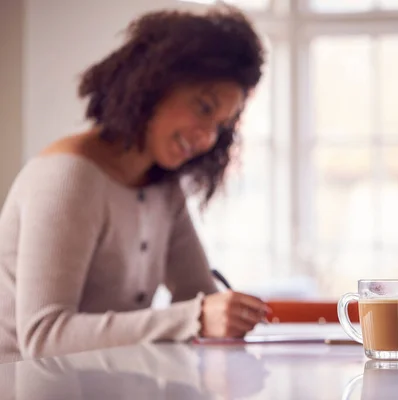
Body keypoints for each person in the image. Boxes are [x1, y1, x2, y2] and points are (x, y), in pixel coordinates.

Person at [0, 5, 269, 364]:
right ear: (153, 84)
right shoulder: (69, 177)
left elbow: (198, 295)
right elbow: (43, 336)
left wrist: (223, 314)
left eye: (220, 126)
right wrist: (197, 317)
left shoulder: (162, 190)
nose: (207, 138)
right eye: (204, 108)